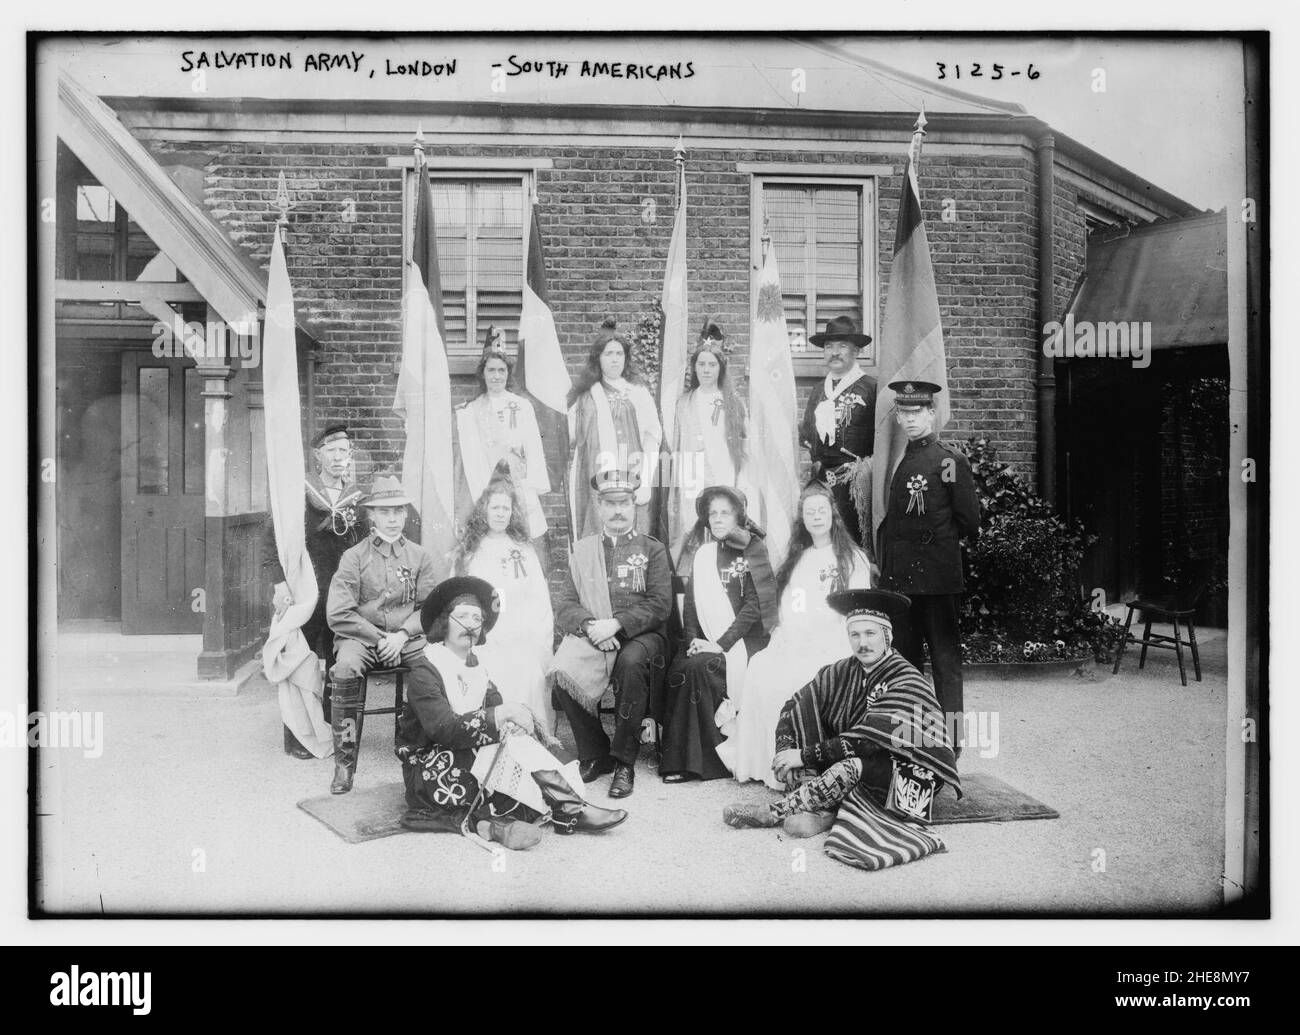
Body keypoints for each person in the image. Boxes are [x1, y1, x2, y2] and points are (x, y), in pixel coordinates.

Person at [722, 589, 961, 873]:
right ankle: (826, 812)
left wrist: (806, 755)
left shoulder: (906, 677)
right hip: (861, 763)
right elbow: (795, 705)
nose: (863, 643)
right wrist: (787, 749)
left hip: (912, 774)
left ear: (888, 636)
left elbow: (867, 742)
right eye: (855, 635)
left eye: (871, 634)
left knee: (850, 765)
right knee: (810, 754)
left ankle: (773, 813)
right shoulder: (841, 671)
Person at [394, 576, 627, 850]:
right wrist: (501, 716)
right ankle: (567, 810)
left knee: (519, 745)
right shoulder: (427, 668)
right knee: (509, 767)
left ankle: (567, 809)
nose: (470, 625)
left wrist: (510, 722)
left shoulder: (475, 666)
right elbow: (443, 729)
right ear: (444, 623)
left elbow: (495, 704)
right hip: (430, 764)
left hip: (465, 750)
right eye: (462, 617)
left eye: (477, 619)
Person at [717, 481, 871, 790]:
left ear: (833, 515)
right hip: (795, 640)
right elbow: (787, 607)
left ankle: (808, 765)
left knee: (803, 676)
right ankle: (767, 763)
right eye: (809, 511)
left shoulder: (852, 559)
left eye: (821, 510)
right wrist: (787, 634)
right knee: (762, 667)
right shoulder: (796, 559)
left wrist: (820, 635)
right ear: (802, 518)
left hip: (835, 642)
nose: (816, 517)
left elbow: (857, 611)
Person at [548, 469, 672, 799]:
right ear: (599, 507)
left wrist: (616, 624)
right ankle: (595, 752)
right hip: (595, 633)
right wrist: (591, 626)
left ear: (635, 507)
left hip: (642, 637)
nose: (618, 510)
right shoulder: (583, 550)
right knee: (561, 670)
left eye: (625, 503)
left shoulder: (652, 549)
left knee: (630, 664)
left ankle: (624, 762)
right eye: (610, 503)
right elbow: (565, 604)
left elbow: (660, 604)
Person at [876, 381, 981, 730]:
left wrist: (933, 546)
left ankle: (951, 740)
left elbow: (969, 520)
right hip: (902, 582)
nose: (908, 419)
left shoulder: (949, 460)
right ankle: (913, 733)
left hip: (936, 580)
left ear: (932, 413)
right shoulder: (902, 458)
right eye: (903, 413)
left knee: (945, 661)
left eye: (916, 412)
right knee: (906, 661)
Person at [325, 476, 439, 794]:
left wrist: (402, 635)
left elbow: (428, 609)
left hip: (406, 638)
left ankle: (416, 749)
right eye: (383, 512)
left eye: (397, 512)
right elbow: (339, 613)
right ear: (371, 516)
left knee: (435, 664)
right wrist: (379, 639)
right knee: (344, 669)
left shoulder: (420, 556)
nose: (391, 519)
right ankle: (344, 765)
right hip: (361, 639)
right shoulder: (354, 557)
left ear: (405, 514)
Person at [263, 422, 368, 759]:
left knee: (339, 664)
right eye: (332, 451)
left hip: (343, 595)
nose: (339, 458)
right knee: (301, 662)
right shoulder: (299, 494)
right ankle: (298, 735)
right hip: (307, 592)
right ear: (318, 456)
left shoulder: (357, 500)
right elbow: (272, 540)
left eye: (344, 451)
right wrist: (279, 583)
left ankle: (333, 731)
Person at [659, 485, 774, 783]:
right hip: (709, 640)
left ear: (739, 516)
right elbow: (692, 606)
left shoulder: (755, 550)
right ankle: (678, 759)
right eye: (713, 513)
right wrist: (693, 641)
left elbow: (753, 607)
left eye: (725, 512)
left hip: (746, 641)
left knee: (701, 668)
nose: (718, 519)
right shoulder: (704, 553)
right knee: (683, 665)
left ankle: (707, 763)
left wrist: (719, 645)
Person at [450, 477, 556, 732]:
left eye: (505, 508)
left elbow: (539, 599)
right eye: (494, 508)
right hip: (482, 634)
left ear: (512, 513)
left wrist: (531, 635)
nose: (500, 514)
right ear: (483, 510)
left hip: (521, 633)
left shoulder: (523, 550)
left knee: (528, 669)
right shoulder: (469, 551)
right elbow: (457, 600)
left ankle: (532, 737)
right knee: (491, 668)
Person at [567, 318, 663, 539]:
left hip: (633, 473)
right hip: (596, 475)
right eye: (608, 354)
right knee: (597, 532)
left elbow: (652, 437)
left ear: (626, 359)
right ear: (598, 359)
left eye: (619, 354)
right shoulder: (586, 396)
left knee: (634, 534)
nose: (614, 359)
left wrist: (645, 480)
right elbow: (568, 436)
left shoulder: (638, 392)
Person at [665, 323, 751, 563]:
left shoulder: (734, 403)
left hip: (723, 474)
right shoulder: (684, 403)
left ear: (721, 368)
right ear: (694, 368)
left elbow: (745, 447)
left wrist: (740, 479)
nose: (706, 370)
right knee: (691, 531)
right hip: (692, 477)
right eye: (701, 364)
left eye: (712, 364)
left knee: (722, 527)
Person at [454, 329, 550, 543]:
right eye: (491, 370)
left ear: (508, 373)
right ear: (483, 373)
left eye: (501, 370)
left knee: (521, 537)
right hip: (487, 483)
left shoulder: (522, 406)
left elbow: (534, 447)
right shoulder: (471, 411)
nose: (496, 376)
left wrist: (532, 483)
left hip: (517, 483)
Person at [799, 315, 878, 545]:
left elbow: (882, 441)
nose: (835, 352)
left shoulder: (870, 389)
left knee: (854, 547)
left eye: (842, 346)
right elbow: (808, 438)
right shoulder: (817, 391)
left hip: (857, 489)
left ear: (856, 351)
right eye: (829, 346)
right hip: (823, 487)